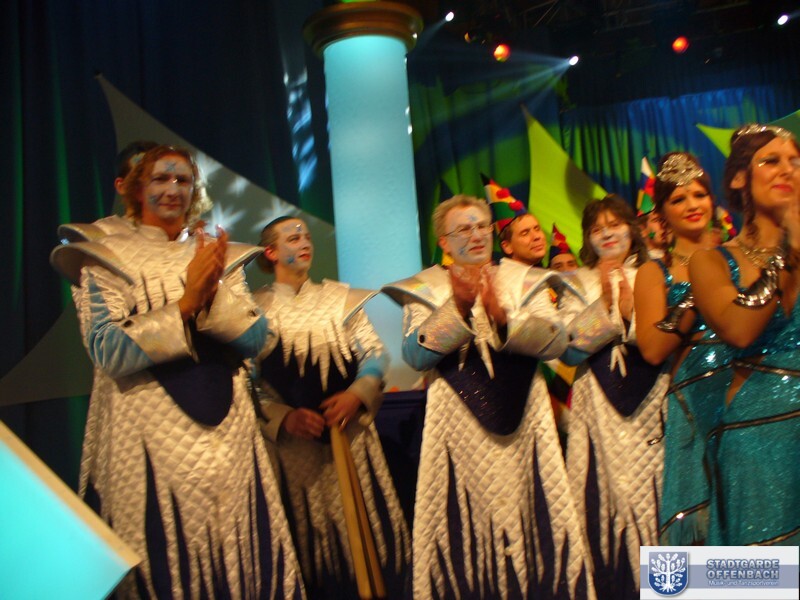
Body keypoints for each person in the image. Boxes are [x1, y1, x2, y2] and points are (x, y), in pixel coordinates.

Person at [50, 145, 303, 598]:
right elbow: (107, 350)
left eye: (183, 180)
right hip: (148, 432)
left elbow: (257, 340)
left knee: (242, 554)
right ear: (136, 188)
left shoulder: (217, 254)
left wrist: (213, 294)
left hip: (229, 436)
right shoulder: (104, 253)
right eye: (160, 179)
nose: (173, 189)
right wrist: (185, 304)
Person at [383, 195, 594, 599]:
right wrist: (459, 309)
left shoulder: (523, 279)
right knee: (465, 528)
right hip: (456, 424)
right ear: (444, 242)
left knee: (534, 517)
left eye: (482, 226)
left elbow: (556, 342)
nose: (476, 234)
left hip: (527, 420)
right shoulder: (423, 287)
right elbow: (414, 355)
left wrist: (505, 320)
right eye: (464, 229)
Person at [252, 216, 410, 598]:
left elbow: (374, 353)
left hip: (349, 435)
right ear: (270, 252)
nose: (304, 242)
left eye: (306, 236)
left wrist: (357, 393)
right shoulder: (253, 310)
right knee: (308, 544)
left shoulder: (341, 299)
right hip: (293, 450)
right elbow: (246, 380)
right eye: (293, 239)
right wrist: (284, 417)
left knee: (366, 534)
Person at [689, 124, 800, 546]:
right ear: (739, 178)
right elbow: (739, 329)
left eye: (795, 162)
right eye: (771, 161)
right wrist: (789, 249)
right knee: (768, 572)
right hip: (756, 442)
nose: (787, 170)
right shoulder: (711, 262)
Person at [561, 194, 663, 599]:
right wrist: (606, 306)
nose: (607, 234)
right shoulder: (574, 283)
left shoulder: (655, 273)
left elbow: (666, 337)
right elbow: (568, 350)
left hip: (653, 398)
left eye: (614, 225)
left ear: (631, 229)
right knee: (601, 499)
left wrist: (631, 313)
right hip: (597, 406)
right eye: (597, 228)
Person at [633, 152, 726, 546]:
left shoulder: (737, 260)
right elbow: (653, 349)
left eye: (700, 195)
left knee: (754, 517)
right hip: (692, 407)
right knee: (695, 542)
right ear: (661, 216)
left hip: (747, 399)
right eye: (678, 199)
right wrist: (697, 289)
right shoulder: (653, 273)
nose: (692, 205)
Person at [59, 140, 158, 243]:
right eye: (140, 177)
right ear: (121, 186)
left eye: (160, 178)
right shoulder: (101, 233)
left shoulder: (170, 234)